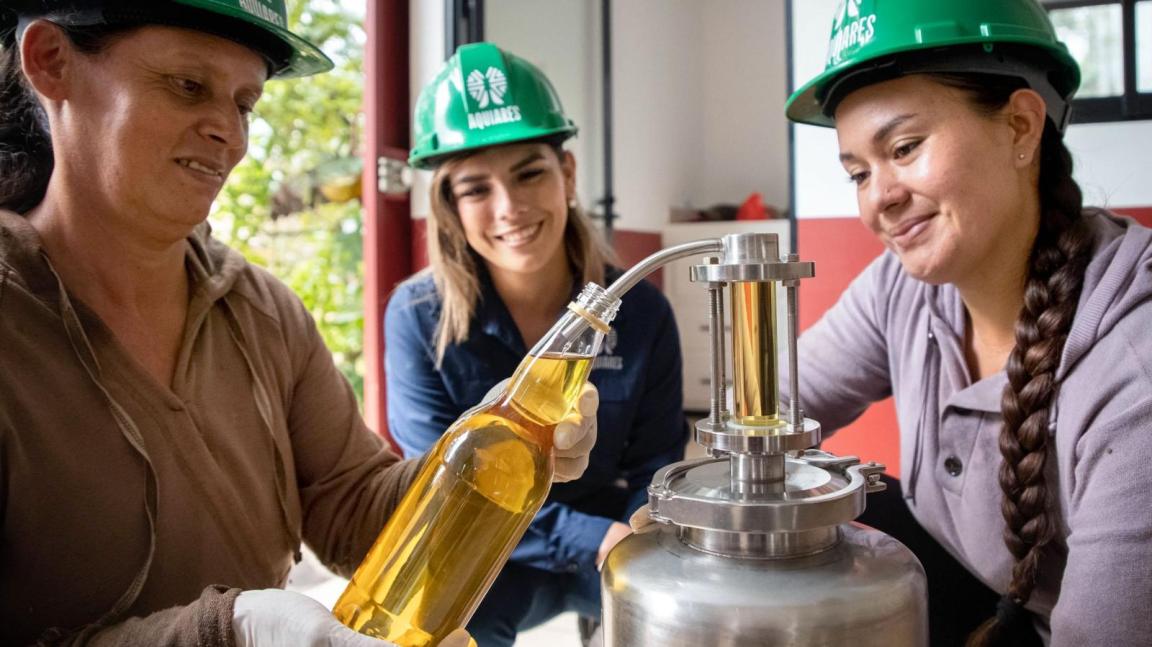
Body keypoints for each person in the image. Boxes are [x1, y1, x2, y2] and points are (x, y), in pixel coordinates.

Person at [0, 3, 597, 646]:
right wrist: (231, 635)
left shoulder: (262, 312)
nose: (228, 132)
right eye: (188, 86)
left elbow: (353, 508)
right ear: (51, 62)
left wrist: (481, 450)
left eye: (246, 103)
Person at [782, 0, 1152, 645]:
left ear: (1019, 126)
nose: (881, 200)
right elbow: (779, 407)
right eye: (858, 173)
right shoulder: (902, 290)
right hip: (999, 596)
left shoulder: (1133, 360)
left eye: (905, 147)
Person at [385, 42, 688, 647]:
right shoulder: (416, 320)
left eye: (529, 173)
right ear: (448, 207)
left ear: (567, 174)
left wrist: (634, 541)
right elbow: (444, 483)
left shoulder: (644, 311)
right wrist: (585, 537)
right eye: (476, 189)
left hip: (613, 539)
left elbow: (657, 460)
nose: (510, 208)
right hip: (478, 553)